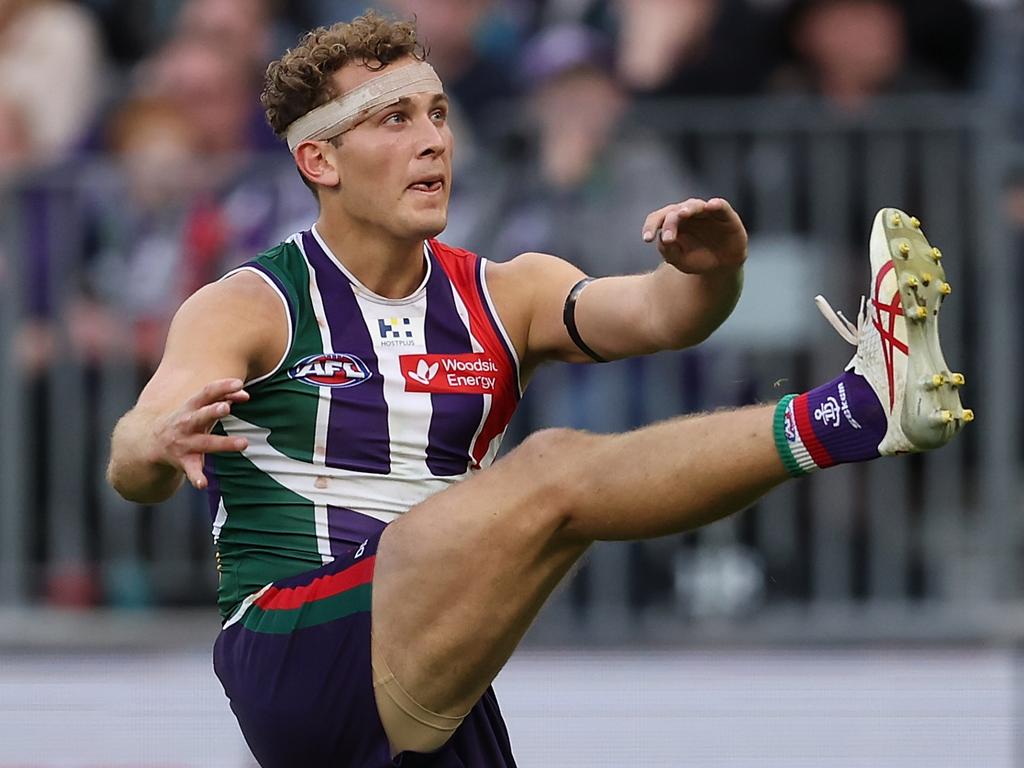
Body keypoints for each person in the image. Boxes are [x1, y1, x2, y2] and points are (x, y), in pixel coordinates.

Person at [106, 11, 972, 767]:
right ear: (318, 160)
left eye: (438, 113)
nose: (433, 139)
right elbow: (135, 453)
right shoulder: (250, 302)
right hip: (294, 645)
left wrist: (711, 272)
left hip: (437, 658)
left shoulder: (504, 289)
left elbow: (657, 315)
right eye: (394, 118)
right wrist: (153, 443)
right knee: (552, 470)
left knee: (554, 498)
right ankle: (856, 408)